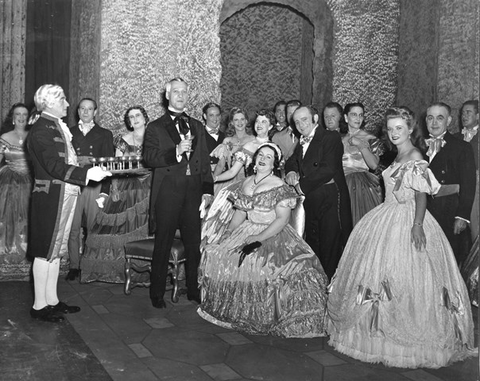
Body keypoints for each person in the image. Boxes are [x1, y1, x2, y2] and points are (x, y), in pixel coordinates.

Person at [327, 106, 475, 369]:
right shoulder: (398, 155)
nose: (394, 133)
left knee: (410, 276)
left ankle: (409, 339)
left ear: (409, 130)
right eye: (391, 129)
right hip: (386, 215)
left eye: (399, 128)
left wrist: (417, 224)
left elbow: (420, 194)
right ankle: (378, 334)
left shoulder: (414, 155)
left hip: (408, 218)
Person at [198, 143, 328, 337]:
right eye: (261, 154)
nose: (263, 159)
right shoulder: (247, 182)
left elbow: (282, 219)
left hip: (272, 232)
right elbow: (241, 212)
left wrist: (259, 237)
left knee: (260, 262)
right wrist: (229, 232)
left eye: (269, 157)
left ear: (274, 163)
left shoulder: (278, 185)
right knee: (218, 253)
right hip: (246, 229)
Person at [27, 84, 111, 322]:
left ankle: (51, 301)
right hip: (50, 197)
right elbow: (53, 166)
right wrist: (86, 175)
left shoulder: (54, 125)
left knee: (56, 251)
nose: (67, 104)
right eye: (62, 99)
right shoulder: (41, 129)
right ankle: (38, 305)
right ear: (50, 103)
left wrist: (89, 171)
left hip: (64, 194)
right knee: (44, 252)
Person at [143, 77, 213, 308]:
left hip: (192, 194)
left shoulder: (197, 126)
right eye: (176, 92)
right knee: (162, 244)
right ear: (167, 95)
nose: (180, 96)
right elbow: (149, 158)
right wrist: (175, 151)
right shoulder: (154, 127)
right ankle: (156, 294)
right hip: (168, 194)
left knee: (194, 245)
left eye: (184, 92)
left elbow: (202, 160)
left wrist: (207, 191)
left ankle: (193, 289)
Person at [81, 106, 151, 283]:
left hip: (152, 186)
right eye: (131, 117)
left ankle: (148, 271)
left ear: (144, 117)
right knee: (120, 228)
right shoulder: (122, 141)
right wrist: (114, 188)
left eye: (137, 115)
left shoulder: (155, 137)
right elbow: (115, 168)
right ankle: (119, 270)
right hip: (128, 187)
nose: (134, 119)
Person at [285, 106, 351, 279]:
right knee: (314, 243)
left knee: (330, 247)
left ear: (315, 118)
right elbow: (292, 161)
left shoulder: (330, 137)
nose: (300, 125)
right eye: (297, 122)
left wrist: (300, 187)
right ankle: (316, 286)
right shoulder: (302, 141)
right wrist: (291, 171)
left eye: (304, 119)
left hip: (330, 198)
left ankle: (330, 288)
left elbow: (327, 169)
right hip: (312, 199)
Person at [66, 98, 114, 281]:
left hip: (94, 186)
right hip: (74, 184)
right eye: (82, 109)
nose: (86, 112)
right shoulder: (69, 132)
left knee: (94, 227)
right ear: (78, 111)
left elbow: (108, 166)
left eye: (90, 109)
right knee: (73, 227)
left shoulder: (104, 134)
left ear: (95, 112)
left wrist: (105, 191)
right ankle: (74, 265)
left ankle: (91, 264)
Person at [425, 102, 476, 265]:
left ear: (448, 121)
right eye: (430, 118)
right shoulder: (418, 147)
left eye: (440, 118)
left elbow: (469, 184)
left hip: (449, 211)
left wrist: (462, 216)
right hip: (424, 211)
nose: (434, 123)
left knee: (448, 262)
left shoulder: (461, 147)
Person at [0, 103, 32, 280]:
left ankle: (28, 253)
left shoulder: (33, 135)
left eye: (24, 114)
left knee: (29, 216)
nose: (21, 117)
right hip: (9, 180)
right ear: (12, 117)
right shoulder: (5, 136)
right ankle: (9, 251)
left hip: (30, 180)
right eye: (18, 114)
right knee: (8, 215)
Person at [342, 102, 384, 226]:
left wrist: (360, 145)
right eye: (354, 115)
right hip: (342, 184)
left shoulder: (370, 139)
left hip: (363, 186)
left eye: (361, 115)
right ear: (346, 118)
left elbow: (374, 165)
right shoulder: (338, 139)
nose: (358, 118)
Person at [213, 109, 275, 185]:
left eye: (263, 122)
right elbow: (232, 172)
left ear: (270, 126)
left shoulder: (274, 147)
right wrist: (215, 178)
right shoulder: (248, 146)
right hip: (249, 186)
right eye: (257, 121)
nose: (259, 124)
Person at [210, 107, 255, 194]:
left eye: (242, 119)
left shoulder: (253, 140)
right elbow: (221, 164)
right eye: (236, 120)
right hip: (230, 179)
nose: (240, 122)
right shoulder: (227, 141)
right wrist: (213, 179)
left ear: (246, 121)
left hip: (249, 180)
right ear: (232, 123)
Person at [202, 102, 225, 171]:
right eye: (211, 115)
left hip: (224, 177)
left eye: (217, 115)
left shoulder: (225, 136)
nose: (215, 119)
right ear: (205, 116)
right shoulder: (198, 134)